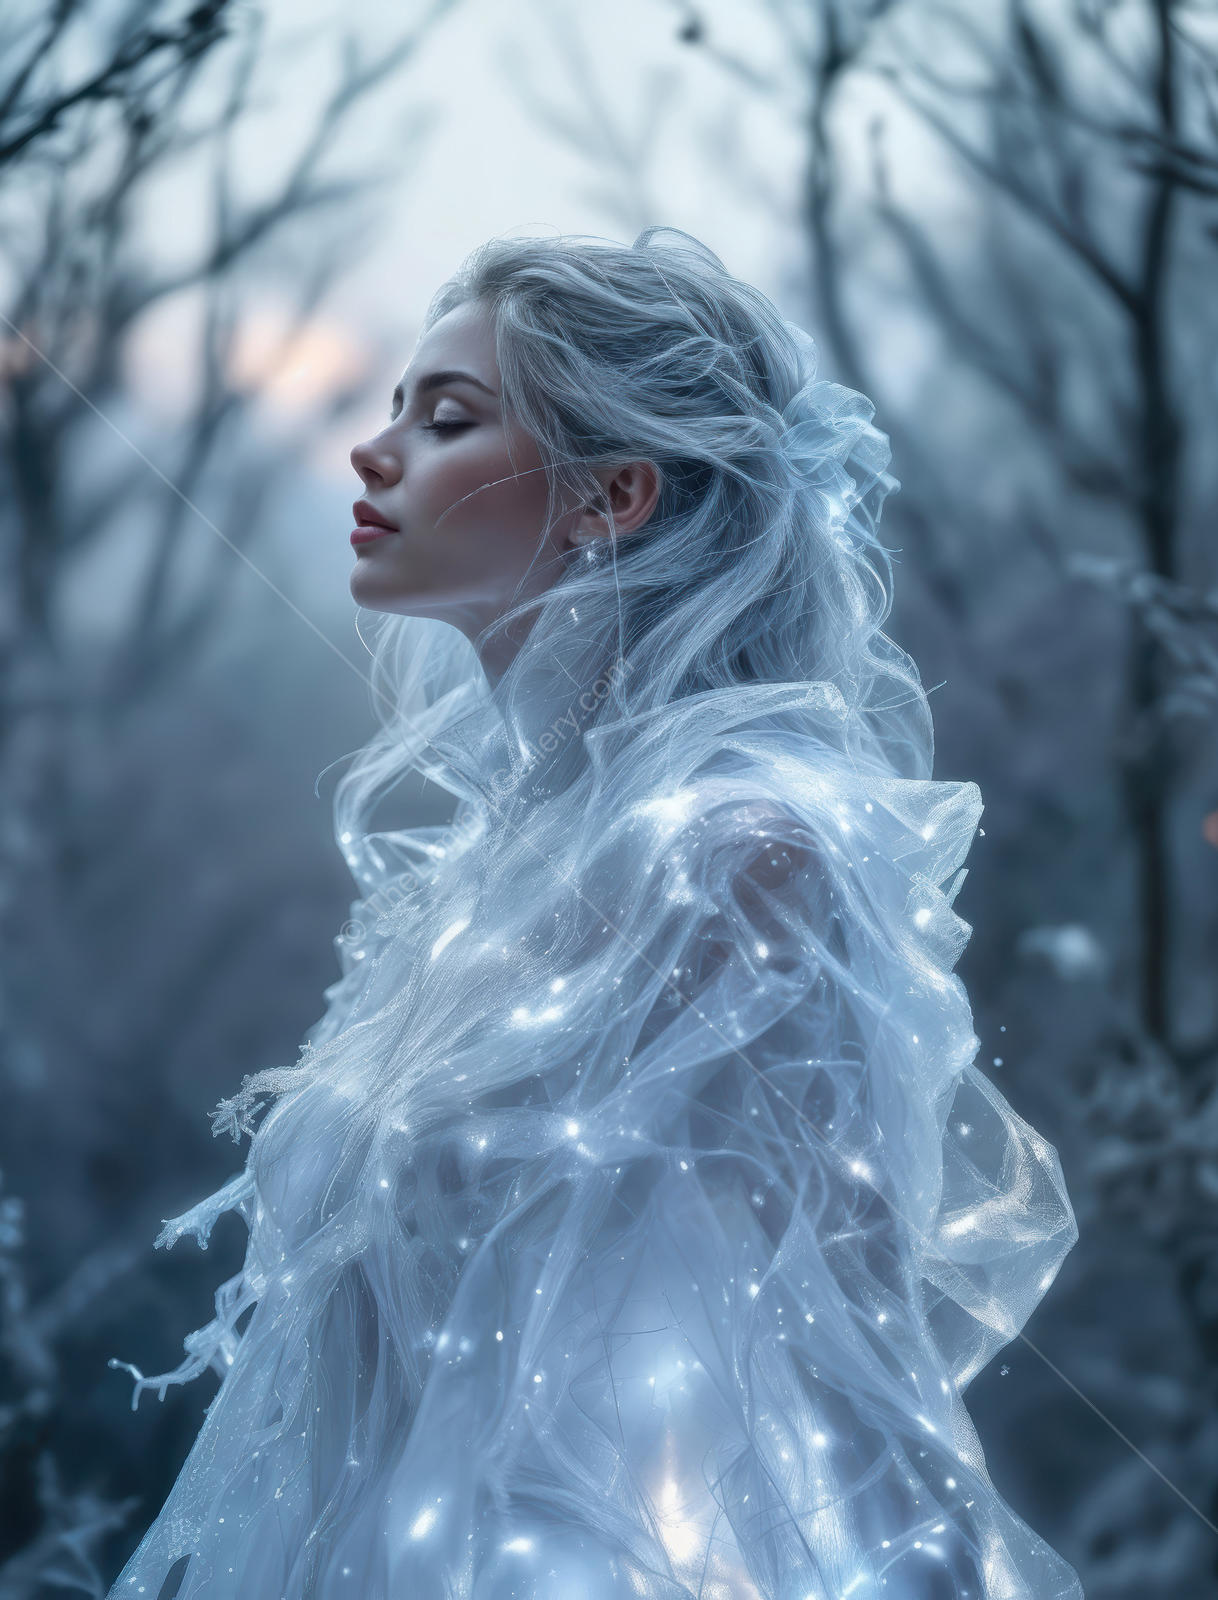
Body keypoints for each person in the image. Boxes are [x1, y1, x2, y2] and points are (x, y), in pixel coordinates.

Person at [109, 231, 1081, 1599]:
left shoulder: (743, 853)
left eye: (447, 418)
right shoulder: (504, 862)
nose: (373, 453)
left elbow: (849, 1365)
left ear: (612, 493)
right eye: (392, 410)